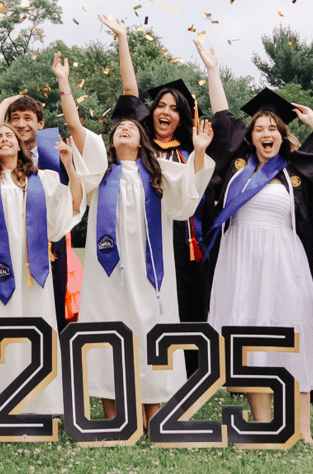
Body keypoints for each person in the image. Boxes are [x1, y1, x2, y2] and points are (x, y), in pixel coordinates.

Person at [201, 36, 313, 429]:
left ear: (283, 136)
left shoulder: (296, 169)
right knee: (247, 338)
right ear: (250, 137)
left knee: (293, 334)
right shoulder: (235, 164)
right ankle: (263, 423)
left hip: (285, 263)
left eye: (273, 128)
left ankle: (302, 430)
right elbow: (222, 117)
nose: (265, 133)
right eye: (259, 129)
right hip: (239, 263)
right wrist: (214, 70)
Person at [78, 111, 215, 422]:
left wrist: (201, 151)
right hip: (107, 274)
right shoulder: (98, 173)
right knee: (107, 328)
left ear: (143, 140)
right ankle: (114, 415)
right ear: (110, 142)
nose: (124, 128)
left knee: (151, 330)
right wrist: (63, 84)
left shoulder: (162, 172)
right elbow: (75, 131)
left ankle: (154, 413)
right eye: (119, 128)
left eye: (131, 127)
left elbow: (187, 202)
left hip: (151, 274)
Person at [0, 122, 83, 419]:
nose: (4, 139)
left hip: (31, 272)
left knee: (35, 328)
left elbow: (72, 205)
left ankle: (39, 405)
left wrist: (69, 166)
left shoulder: (43, 179)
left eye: (9, 135)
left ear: (20, 143)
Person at [0, 50, 108, 320]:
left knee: (51, 303)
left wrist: (61, 80)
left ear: (41, 123)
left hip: (51, 236)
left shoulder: (56, 151)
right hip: (7, 235)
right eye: (15, 119)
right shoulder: (0, 154)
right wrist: (8, 99)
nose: (21, 124)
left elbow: (73, 195)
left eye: (28, 118)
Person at [103, 13, 213, 330]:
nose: (165, 111)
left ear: (181, 118)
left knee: (189, 315)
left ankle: (191, 376)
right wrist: (123, 38)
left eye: (174, 108)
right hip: (142, 238)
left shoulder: (190, 151)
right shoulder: (142, 148)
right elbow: (130, 89)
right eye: (161, 106)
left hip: (185, 244)